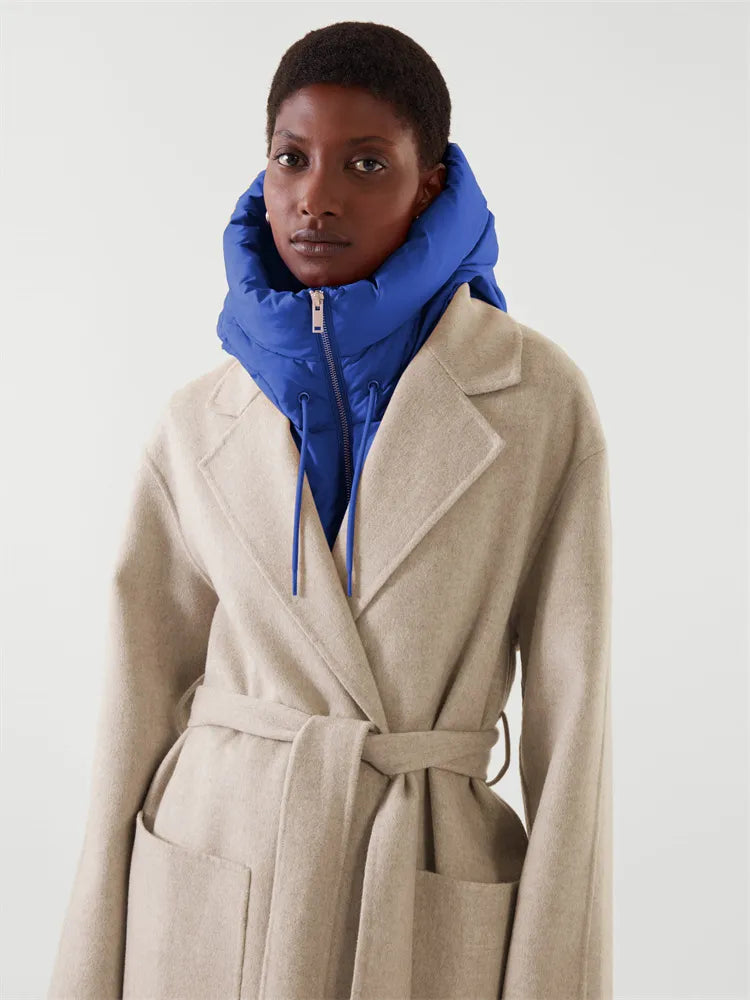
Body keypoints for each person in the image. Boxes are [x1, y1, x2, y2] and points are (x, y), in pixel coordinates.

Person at [48, 19, 613, 1000]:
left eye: (364, 162)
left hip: (418, 870)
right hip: (208, 869)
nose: (316, 197)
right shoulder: (198, 421)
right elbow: (134, 708)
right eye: (291, 159)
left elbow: (576, 733)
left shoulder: (535, 401)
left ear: (430, 181)